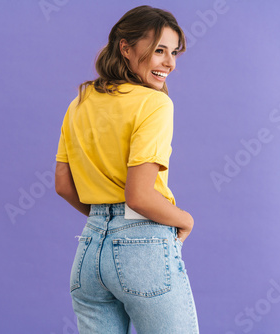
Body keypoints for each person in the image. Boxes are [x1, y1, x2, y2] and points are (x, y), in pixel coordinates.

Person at [54, 5, 199, 333]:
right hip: (143, 247)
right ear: (126, 47)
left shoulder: (80, 101)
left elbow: (63, 185)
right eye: (159, 50)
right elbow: (138, 197)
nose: (169, 63)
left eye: (174, 52)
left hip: (89, 252)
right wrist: (185, 221)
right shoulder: (155, 104)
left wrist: (105, 220)